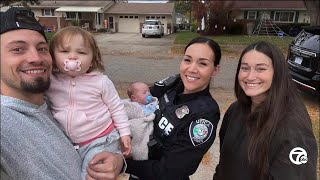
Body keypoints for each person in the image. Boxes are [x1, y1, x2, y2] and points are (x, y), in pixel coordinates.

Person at [0, 7, 124, 180]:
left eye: (42, 48)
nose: (36, 58)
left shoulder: (51, 98)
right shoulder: (5, 121)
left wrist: (118, 160)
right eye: (18, 49)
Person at [213, 41, 318, 180]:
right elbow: (224, 164)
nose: (250, 76)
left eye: (260, 69)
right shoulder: (235, 110)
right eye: (245, 68)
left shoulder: (293, 129)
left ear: (277, 73)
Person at [125, 37, 222, 180]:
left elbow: (169, 171)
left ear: (215, 70)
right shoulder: (175, 82)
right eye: (187, 60)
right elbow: (143, 97)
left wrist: (123, 165)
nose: (192, 69)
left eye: (202, 63)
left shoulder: (205, 114)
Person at [45, 26, 132, 179]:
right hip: (70, 143)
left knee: (89, 174)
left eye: (82, 52)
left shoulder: (100, 82)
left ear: (92, 60)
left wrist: (125, 132)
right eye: (65, 51)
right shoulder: (50, 81)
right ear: (52, 56)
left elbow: (116, 107)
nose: (72, 57)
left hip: (100, 139)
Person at [122, 82, 158, 160]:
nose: (148, 94)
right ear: (134, 98)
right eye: (144, 92)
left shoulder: (149, 104)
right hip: (135, 124)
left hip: (143, 123)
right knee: (138, 139)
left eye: (148, 91)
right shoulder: (134, 107)